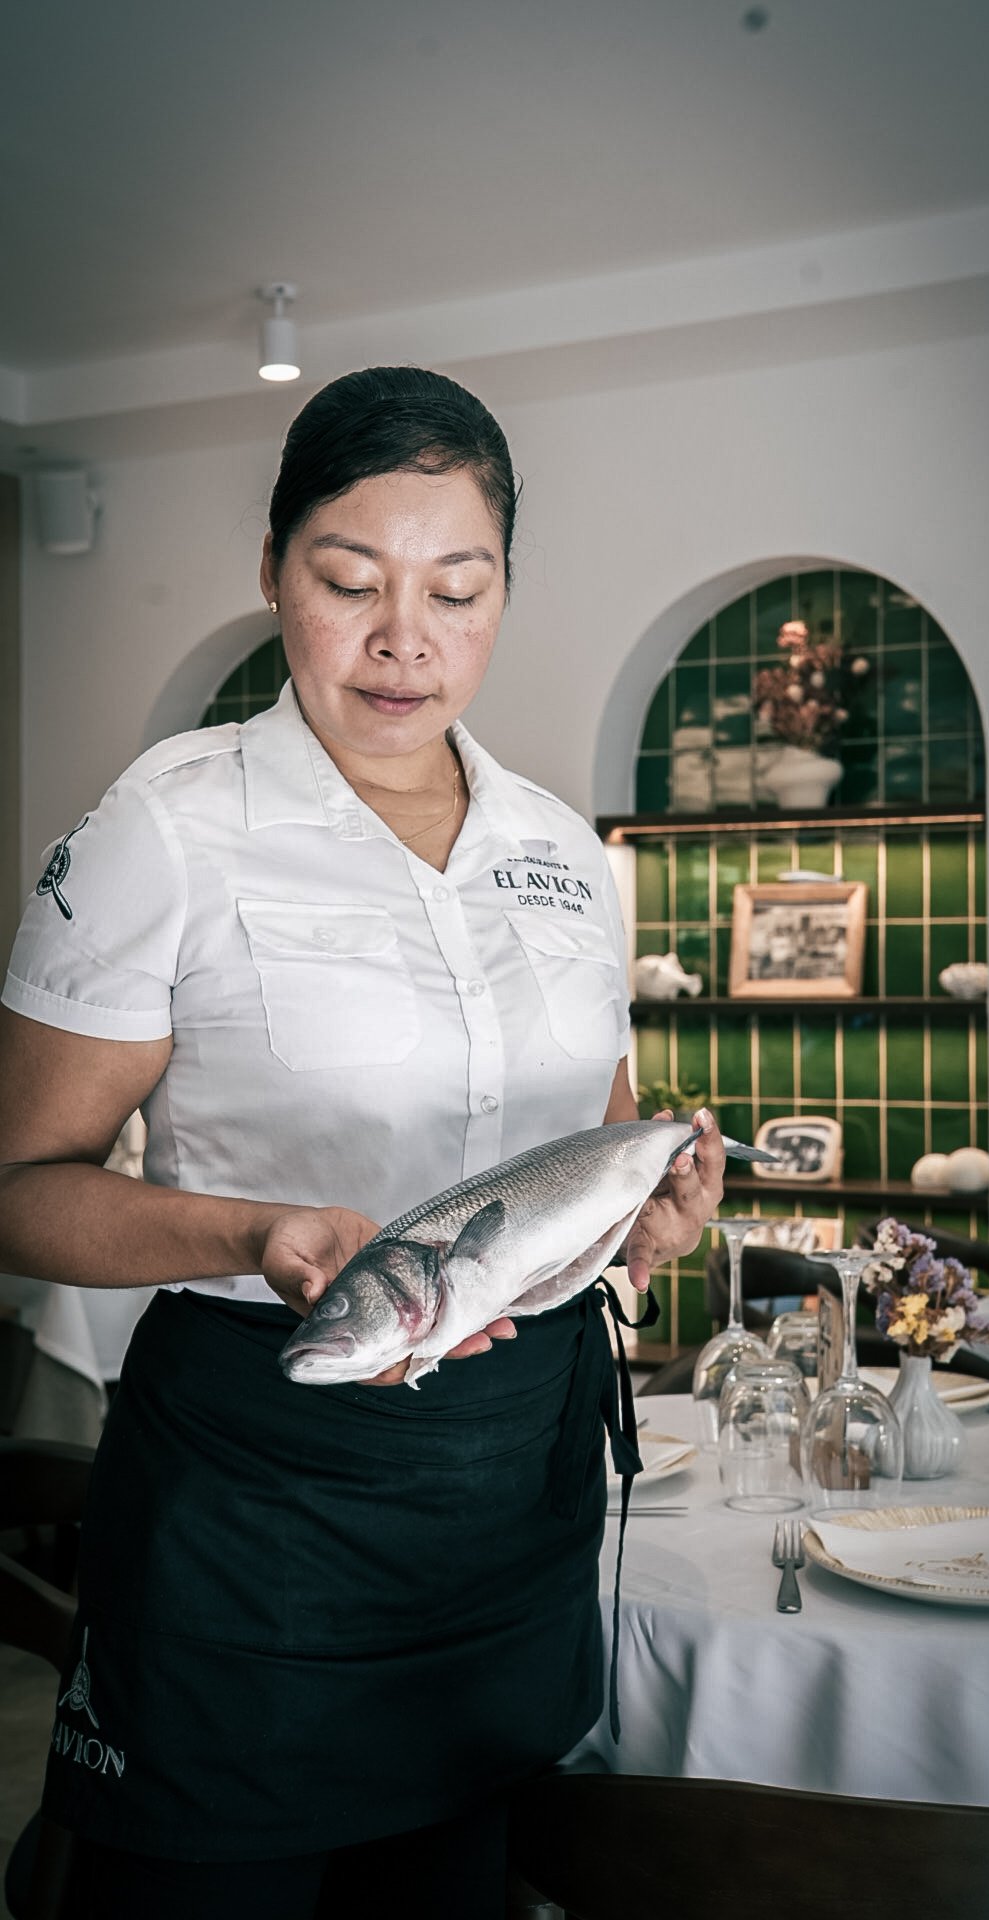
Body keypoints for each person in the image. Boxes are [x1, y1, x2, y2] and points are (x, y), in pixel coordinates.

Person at [0, 366, 725, 1918]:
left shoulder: (560, 849)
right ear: (274, 573)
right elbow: (20, 1191)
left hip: (515, 1497)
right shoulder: (165, 827)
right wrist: (250, 1232)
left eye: (458, 591)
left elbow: (594, 1142)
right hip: (259, 1499)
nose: (408, 638)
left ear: (504, 593)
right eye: (351, 583)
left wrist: (652, 1217)